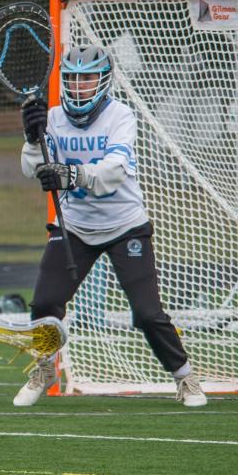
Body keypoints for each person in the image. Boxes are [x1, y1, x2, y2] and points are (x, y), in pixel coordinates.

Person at [17, 43, 206, 407]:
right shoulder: (53, 118)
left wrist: (71, 174)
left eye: (87, 78)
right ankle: (45, 366)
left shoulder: (121, 116)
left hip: (125, 226)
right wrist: (30, 140)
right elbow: (31, 169)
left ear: (103, 81)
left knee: (148, 314)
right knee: (44, 304)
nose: (78, 87)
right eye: (72, 79)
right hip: (74, 226)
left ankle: (185, 377)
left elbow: (113, 173)